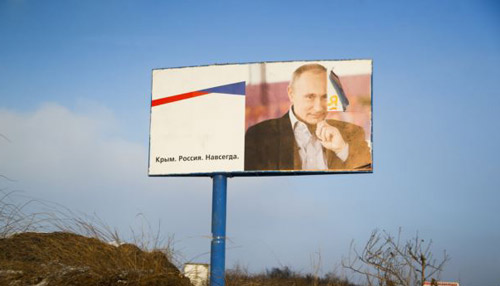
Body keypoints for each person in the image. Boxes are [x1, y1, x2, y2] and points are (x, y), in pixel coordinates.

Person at [244, 63, 371, 171]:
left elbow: (369, 176)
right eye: (310, 97)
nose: (318, 108)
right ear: (291, 94)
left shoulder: (353, 134)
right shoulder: (259, 136)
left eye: (325, 97)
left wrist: (342, 150)